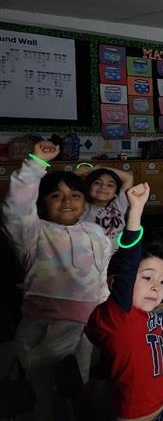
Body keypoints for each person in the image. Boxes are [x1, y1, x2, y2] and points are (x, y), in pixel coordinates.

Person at [3, 141, 115, 420]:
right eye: (56, 195)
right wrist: (36, 164)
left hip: (88, 326)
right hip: (47, 329)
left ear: (85, 200)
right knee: (50, 396)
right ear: (42, 203)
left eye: (75, 195)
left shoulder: (94, 231)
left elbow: (102, 272)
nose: (67, 201)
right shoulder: (33, 233)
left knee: (80, 388)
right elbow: (16, 207)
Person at [86, 183, 163, 421]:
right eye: (147, 278)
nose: (156, 286)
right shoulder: (119, 316)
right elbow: (127, 264)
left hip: (161, 410)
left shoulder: (143, 314)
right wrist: (135, 211)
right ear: (116, 284)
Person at [79, 165, 135, 242]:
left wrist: (98, 168)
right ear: (89, 188)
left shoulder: (118, 205)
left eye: (110, 185)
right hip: (90, 253)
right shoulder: (81, 206)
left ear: (116, 193)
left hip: (117, 253)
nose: (103, 187)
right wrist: (87, 171)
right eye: (97, 183)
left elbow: (129, 177)